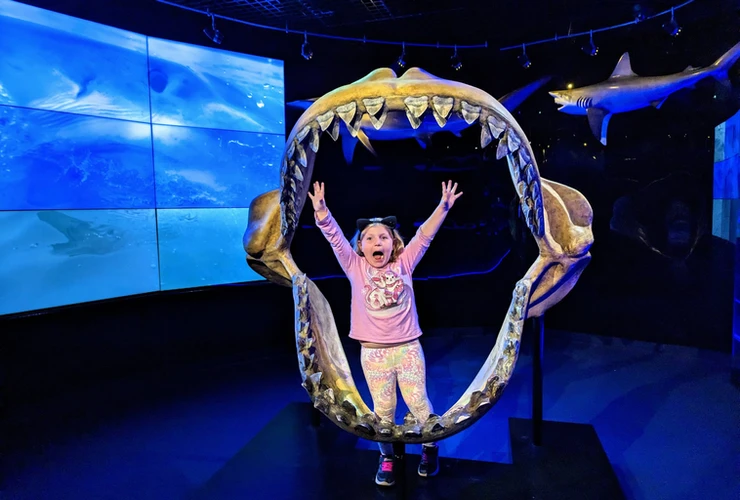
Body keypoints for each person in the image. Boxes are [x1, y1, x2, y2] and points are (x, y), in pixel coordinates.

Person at [308, 180, 463, 487]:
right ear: (361, 246)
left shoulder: (405, 263)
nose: (376, 241)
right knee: (383, 410)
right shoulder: (355, 267)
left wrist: (443, 207)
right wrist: (323, 213)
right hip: (374, 352)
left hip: (407, 348)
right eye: (369, 238)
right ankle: (387, 456)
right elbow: (336, 241)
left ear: (394, 244)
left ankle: (430, 447)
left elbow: (424, 236)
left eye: (383, 237)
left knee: (418, 402)